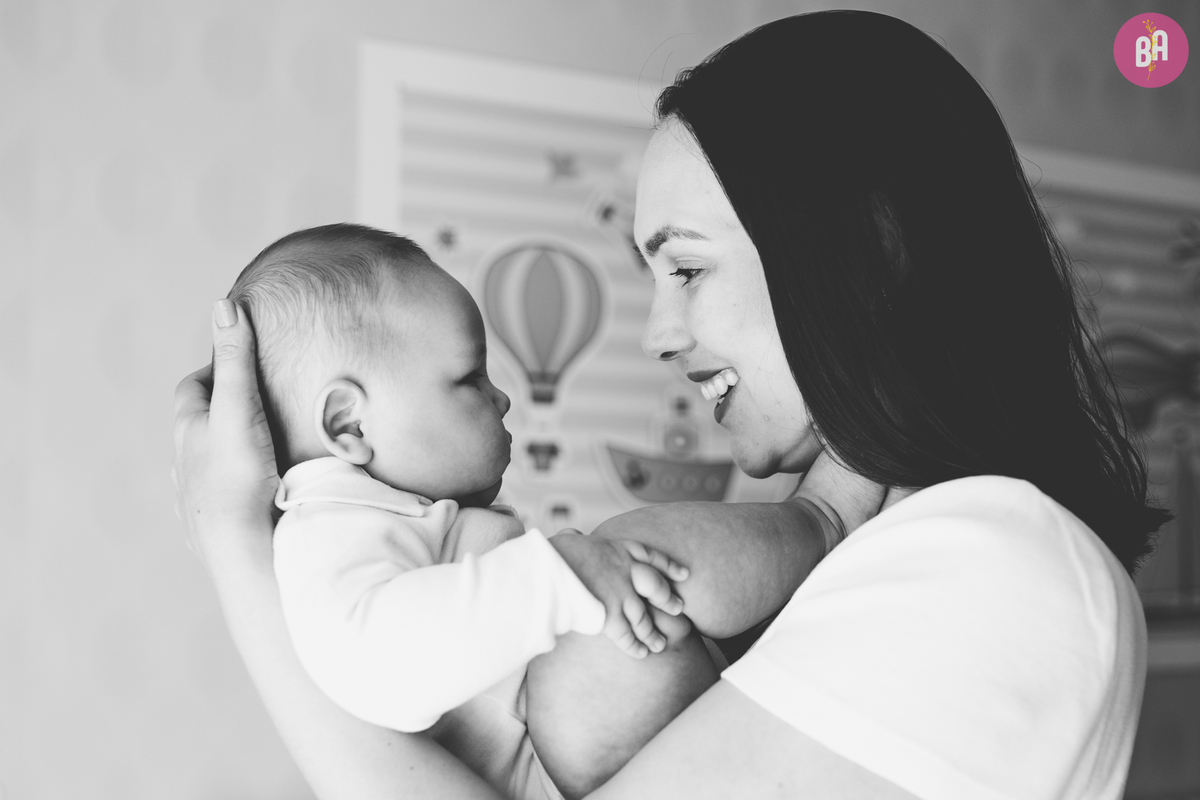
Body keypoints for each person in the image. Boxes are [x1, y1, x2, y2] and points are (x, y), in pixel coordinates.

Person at [173, 10, 1167, 800]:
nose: (657, 332)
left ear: (867, 250)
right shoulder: (883, 557)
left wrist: (235, 546)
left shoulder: (997, 563)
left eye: (687, 267)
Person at [217, 221, 856, 799]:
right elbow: (373, 666)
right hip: (549, 763)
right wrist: (561, 576)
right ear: (346, 423)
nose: (501, 400)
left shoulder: (394, 507)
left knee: (623, 574)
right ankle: (827, 516)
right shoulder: (324, 523)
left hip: (585, 733)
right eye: (469, 379)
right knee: (628, 555)